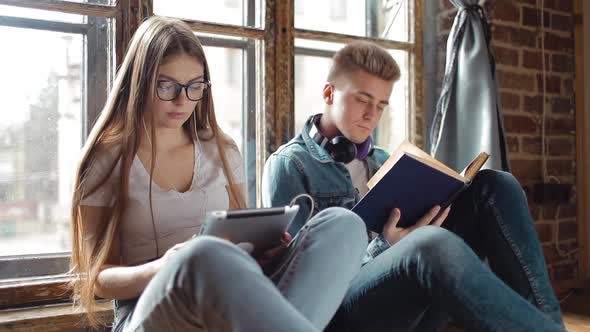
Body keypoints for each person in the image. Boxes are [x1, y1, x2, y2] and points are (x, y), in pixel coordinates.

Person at [69, 16, 368, 332]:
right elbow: (95, 278)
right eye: (166, 85)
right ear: (140, 80)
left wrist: (266, 250)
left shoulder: (222, 149)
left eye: (194, 86)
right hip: (147, 312)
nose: (182, 100)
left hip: (229, 306)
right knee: (204, 253)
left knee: (343, 223)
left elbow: (241, 240)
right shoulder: (106, 157)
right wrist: (164, 267)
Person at [262, 41, 565, 331]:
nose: (372, 115)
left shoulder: (382, 160)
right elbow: (301, 285)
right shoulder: (290, 165)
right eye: (363, 100)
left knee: (496, 184)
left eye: (381, 105)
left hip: (407, 300)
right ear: (329, 94)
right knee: (430, 244)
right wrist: (387, 246)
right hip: (342, 316)